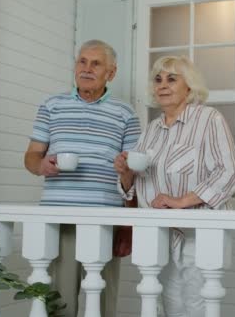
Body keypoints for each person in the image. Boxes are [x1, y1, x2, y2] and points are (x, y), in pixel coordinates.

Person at [114, 55, 235, 317]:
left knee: (197, 304)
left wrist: (181, 200)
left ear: (189, 87)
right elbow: (136, 185)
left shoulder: (208, 119)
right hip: (160, 233)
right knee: (165, 304)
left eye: (172, 79)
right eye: (158, 79)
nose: (162, 85)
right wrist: (126, 173)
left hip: (199, 229)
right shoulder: (152, 130)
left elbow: (229, 173)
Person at [24, 39, 141, 316]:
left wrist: (128, 224)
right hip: (58, 218)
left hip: (105, 221)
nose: (86, 69)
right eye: (82, 61)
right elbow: (30, 156)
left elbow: (134, 177)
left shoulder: (126, 114)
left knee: (100, 305)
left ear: (111, 73)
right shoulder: (51, 105)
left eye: (96, 63)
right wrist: (42, 166)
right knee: (59, 303)